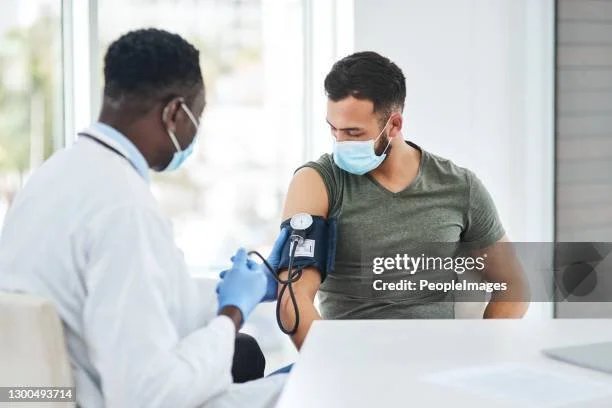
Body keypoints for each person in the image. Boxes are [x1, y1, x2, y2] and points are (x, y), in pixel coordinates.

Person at [0, 28, 288, 408]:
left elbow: (143, 300)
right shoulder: (124, 209)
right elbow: (148, 395)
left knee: (251, 356)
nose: (194, 133)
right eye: (195, 117)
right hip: (111, 396)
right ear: (173, 113)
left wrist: (235, 293)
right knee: (309, 387)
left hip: (44, 395)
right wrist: (232, 312)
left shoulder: (56, 174)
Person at [279, 51, 530, 349]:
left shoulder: (459, 187)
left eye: (353, 132)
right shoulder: (317, 182)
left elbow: (514, 285)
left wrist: (482, 352)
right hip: (350, 363)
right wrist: (332, 364)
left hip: (437, 364)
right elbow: (292, 298)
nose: (340, 143)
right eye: (333, 129)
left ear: (394, 125)